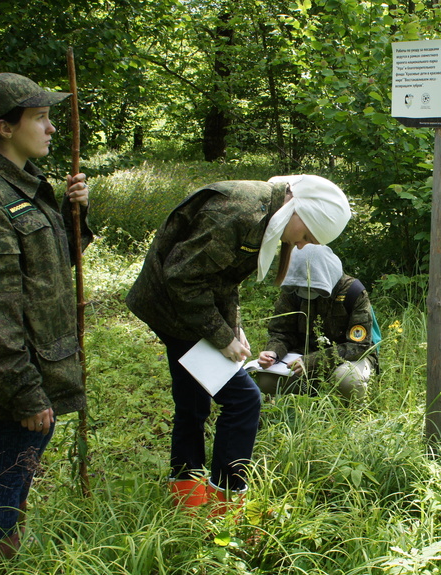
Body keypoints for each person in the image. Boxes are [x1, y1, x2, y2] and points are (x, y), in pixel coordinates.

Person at [126, 174, 350, 511]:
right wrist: (221, 336)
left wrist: (233, 327)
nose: (302, 245)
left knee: (194, 402)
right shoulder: (240, 213)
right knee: (244, 400)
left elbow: (222, 278)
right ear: (299, 211)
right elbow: (182, 279)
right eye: (305, 235)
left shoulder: (264, 212)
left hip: (185, 307)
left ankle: (186, 498)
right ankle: (226, 506)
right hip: (175, 309)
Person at [0, 73, 92, 557]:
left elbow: (46, 268)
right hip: (17, 367)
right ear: (3, 127)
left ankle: (3, 542)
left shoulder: (20, 186)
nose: (51, 129)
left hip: (38, 360)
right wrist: (23, 389)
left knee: (19, 458)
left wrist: (71, 214)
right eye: (39, 118)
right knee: (10, 460)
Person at [253, 244, 379, 401]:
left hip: (348, 360)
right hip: (302, 358)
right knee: (265, 381)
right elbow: (281, 332)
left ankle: (351, 411)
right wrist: (273, 353)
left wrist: (313, 361)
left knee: (346, 380)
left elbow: (359, 346)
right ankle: (311, 393)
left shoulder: (352, 292)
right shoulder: (292, 291)